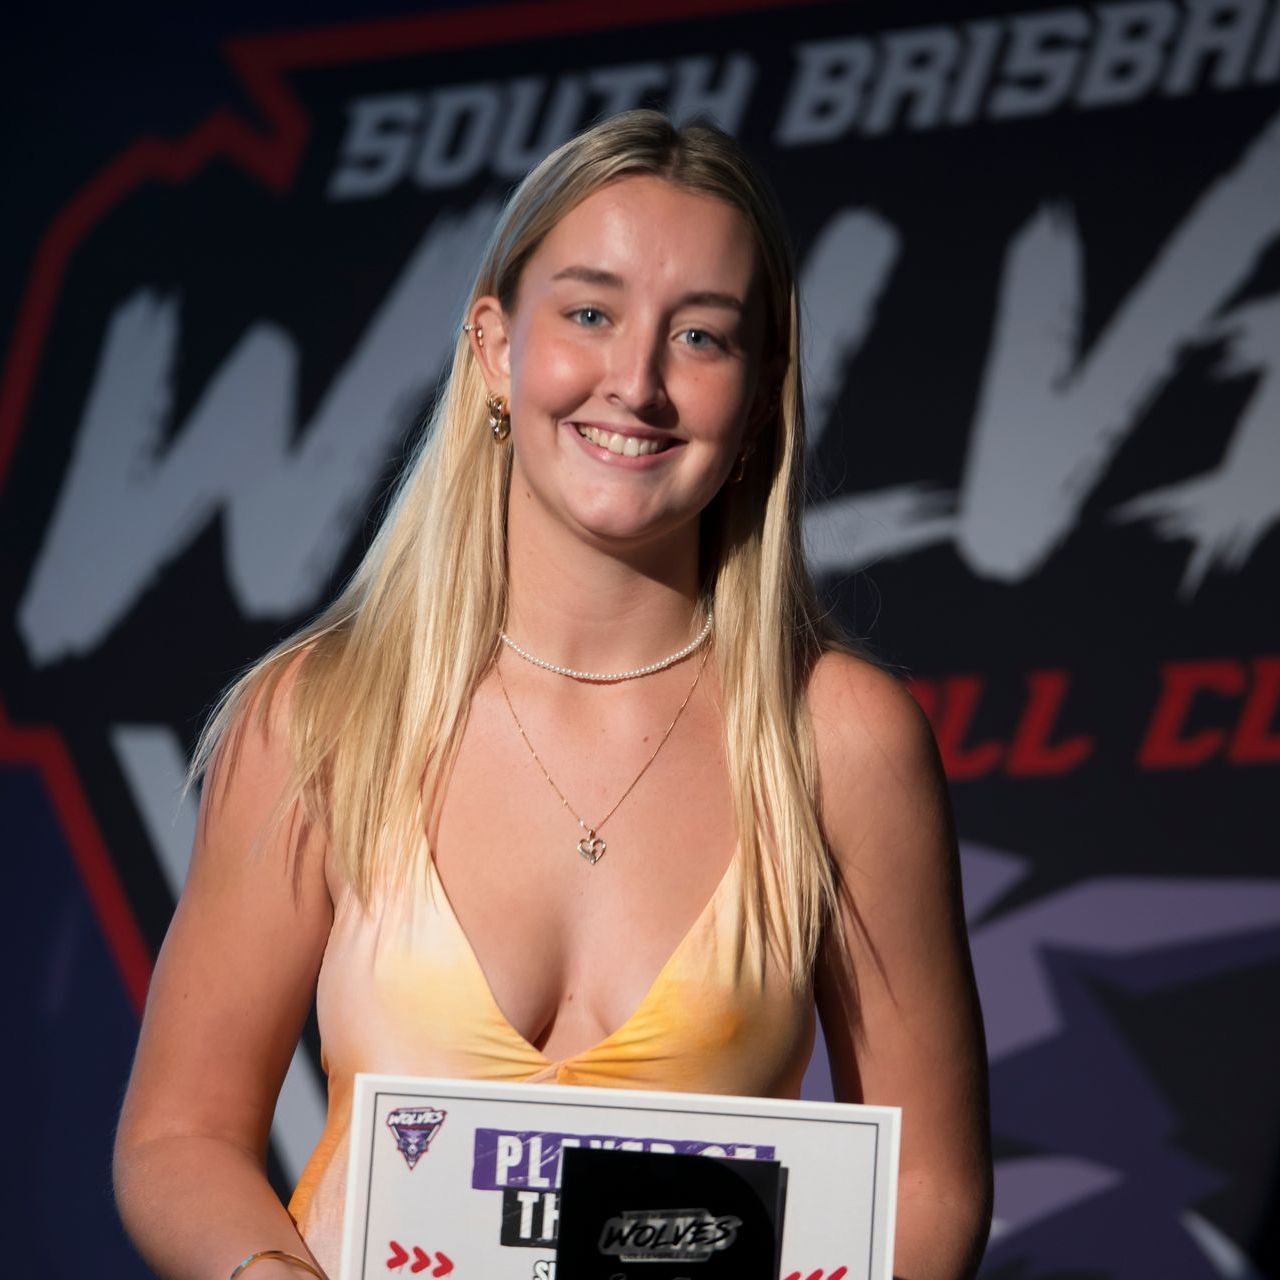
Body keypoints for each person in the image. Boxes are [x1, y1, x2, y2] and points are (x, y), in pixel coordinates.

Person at [113, 109, 992, 1280]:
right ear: (494, 345)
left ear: (759, 394)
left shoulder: (837, 739)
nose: (635, 382)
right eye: (589, 313)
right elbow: (179, 1137)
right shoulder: (321, 716)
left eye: (701, 336)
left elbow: (927, 1185)